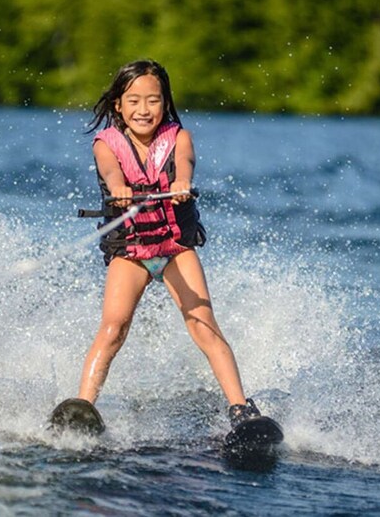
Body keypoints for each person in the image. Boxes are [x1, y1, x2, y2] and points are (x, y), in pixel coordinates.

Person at [50, 60, 267, 434]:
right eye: (133, 100)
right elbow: (110, 171)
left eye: (153, 100)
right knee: (113, 328)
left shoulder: (179, 137)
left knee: (203, 325)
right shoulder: (106, 144)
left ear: (165, 104)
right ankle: (83, 406)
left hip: (175, 248)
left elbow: (185, 164)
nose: (143, 109)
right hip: (132, 251)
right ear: (118, 104)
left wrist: (182, 181)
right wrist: (118, 187)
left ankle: (240, 409)